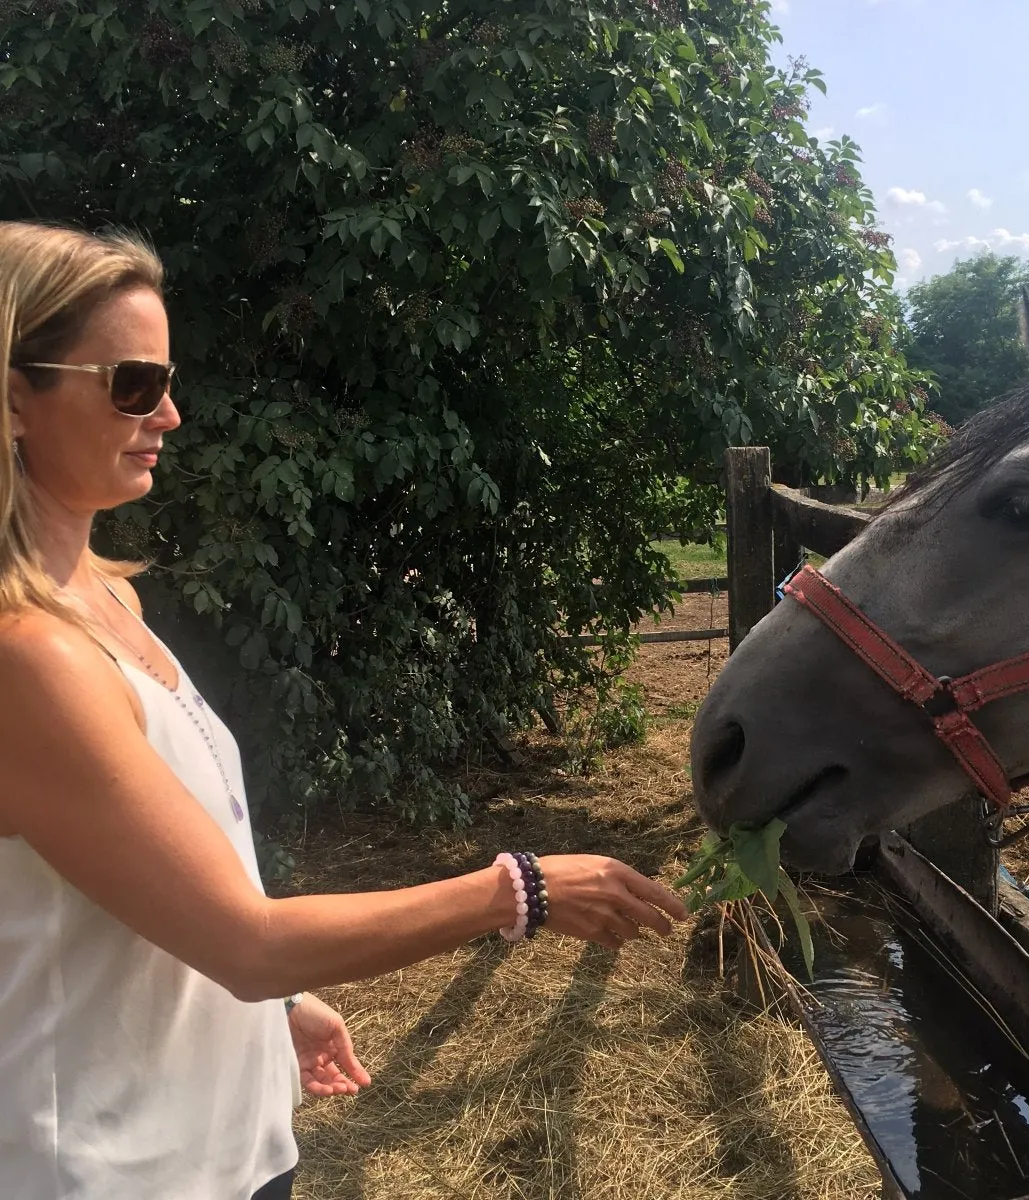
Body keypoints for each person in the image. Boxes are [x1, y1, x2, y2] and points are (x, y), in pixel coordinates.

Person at [0, 221, 689, 1200]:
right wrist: (518, 890)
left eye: (167, 381)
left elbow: (160, 889)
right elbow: (244, 939)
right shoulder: (27, 660)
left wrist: (268, 1012)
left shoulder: (111, 602)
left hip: (226, 1146)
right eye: (134, 386)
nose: (172, 415)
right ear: (14, 394)